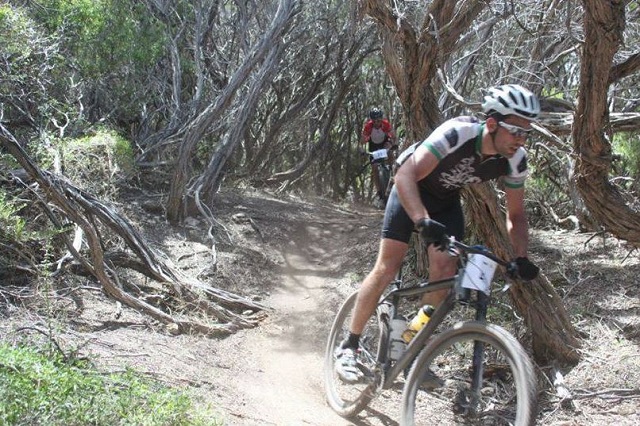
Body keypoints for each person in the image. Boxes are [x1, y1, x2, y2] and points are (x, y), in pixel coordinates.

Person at [336, 84, 542, 383]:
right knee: (388, 265)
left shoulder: (515, 159)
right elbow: (404, 174)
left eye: (527, 133)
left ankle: (408, 345)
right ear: (493, 124)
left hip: (445, 201)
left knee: (444, 276)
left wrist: (521, 256)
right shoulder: (458, 133)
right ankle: (348, 347)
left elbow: (517, 215)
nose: (521, 140)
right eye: (516, 130)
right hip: (409, 189)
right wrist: (421, 220)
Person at [362, 108, 398, 201]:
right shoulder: (368, 127)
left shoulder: (385, 124)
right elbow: (362, 141)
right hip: (373, 145)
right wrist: (362, 149)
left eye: (378, 120)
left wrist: (394, 144)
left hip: (384, 143)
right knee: (374, 168)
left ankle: (394, 174)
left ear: (381, 119)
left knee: (390, 153)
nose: (377, 123)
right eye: (374, 121)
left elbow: (393, 136)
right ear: (371, 120)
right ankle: (379, 193)